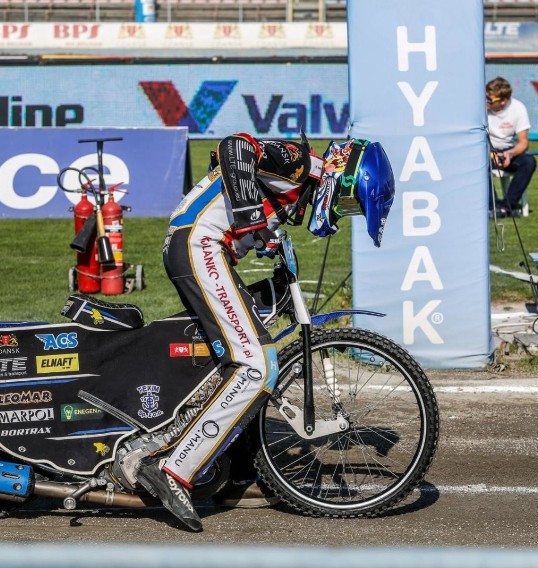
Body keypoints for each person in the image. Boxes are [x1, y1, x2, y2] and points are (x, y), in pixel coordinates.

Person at [134, 133, 395, 531]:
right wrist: (250, 215)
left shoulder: (301, 185)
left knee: (242, 357)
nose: (342, 214)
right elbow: (234, 148)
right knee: (256, 364)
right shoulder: (300, 163)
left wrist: (264, 233)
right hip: (200, 244)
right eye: (348, 202)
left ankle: (234, 470)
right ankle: (171, 468)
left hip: (205, 246)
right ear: (341, 176)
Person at [486, 76, 537, 217]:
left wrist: (509, 154)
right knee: (479, 162)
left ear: (503, 102)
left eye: (490, 100)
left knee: (529, 162)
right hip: (485, 151)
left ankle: (506, 207)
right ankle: (491, 206)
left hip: (507, 151)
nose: (486, 102)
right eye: (486, 97)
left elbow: (523, 142)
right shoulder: (480, 108)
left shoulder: (518, 109)